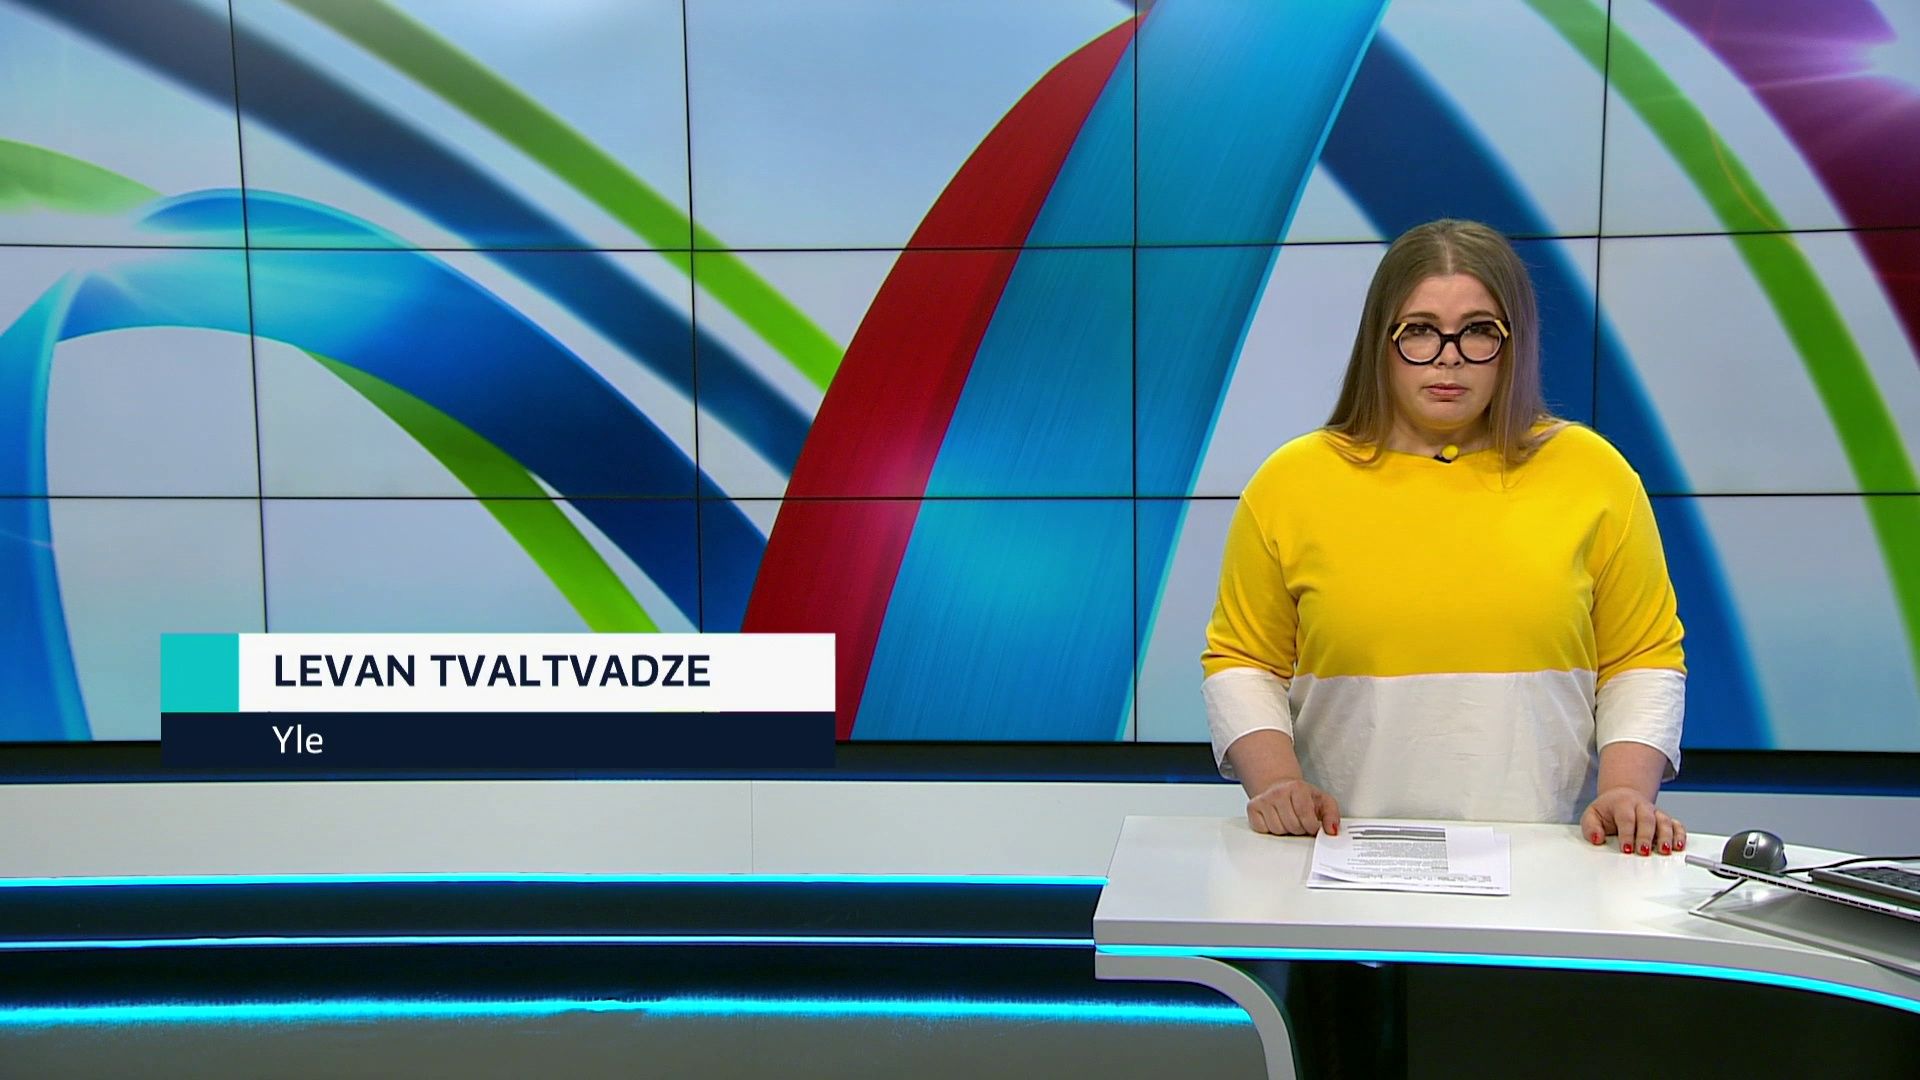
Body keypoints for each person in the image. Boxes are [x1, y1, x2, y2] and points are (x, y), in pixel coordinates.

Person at [1202, 218, 1687, 858]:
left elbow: (1641, 658)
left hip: (1549, 865)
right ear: (1380, 341)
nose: (1448, 356)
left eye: (1479, 330)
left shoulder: (1595, 475)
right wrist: (1277, 784)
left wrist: (1626, 791)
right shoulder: (1290, 482)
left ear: (1514, 344)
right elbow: (1243, 661)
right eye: (1420, 330)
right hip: (1336, 863)